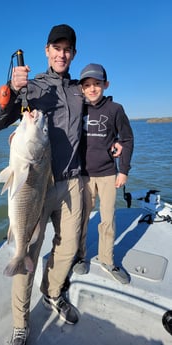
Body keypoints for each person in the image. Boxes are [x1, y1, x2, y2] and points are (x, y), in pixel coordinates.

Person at [0, 24, 84, 345]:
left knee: (68, 250)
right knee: (26, 252)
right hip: (36, 185)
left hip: (71, 183)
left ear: (73, 53)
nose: (62, 54)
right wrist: (12, 91)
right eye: (56, 48)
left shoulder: (78, 89)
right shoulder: (33, 86)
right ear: (46, 51)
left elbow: (97, 122)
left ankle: (53, 293)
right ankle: (20, 322)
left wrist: (117, 145)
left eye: (67, 49)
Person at [73, 63, 134, 284]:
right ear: (81, 88)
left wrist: (123, 171)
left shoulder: (115, 109)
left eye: (97, 84)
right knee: (81, 218)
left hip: (109, 173)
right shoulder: (78, 108)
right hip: (83, 174)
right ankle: (79, 256)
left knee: (107, 218)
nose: (92, 88)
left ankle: (107, 259)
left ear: (105, 85)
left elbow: (127, 140)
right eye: (87, 85)